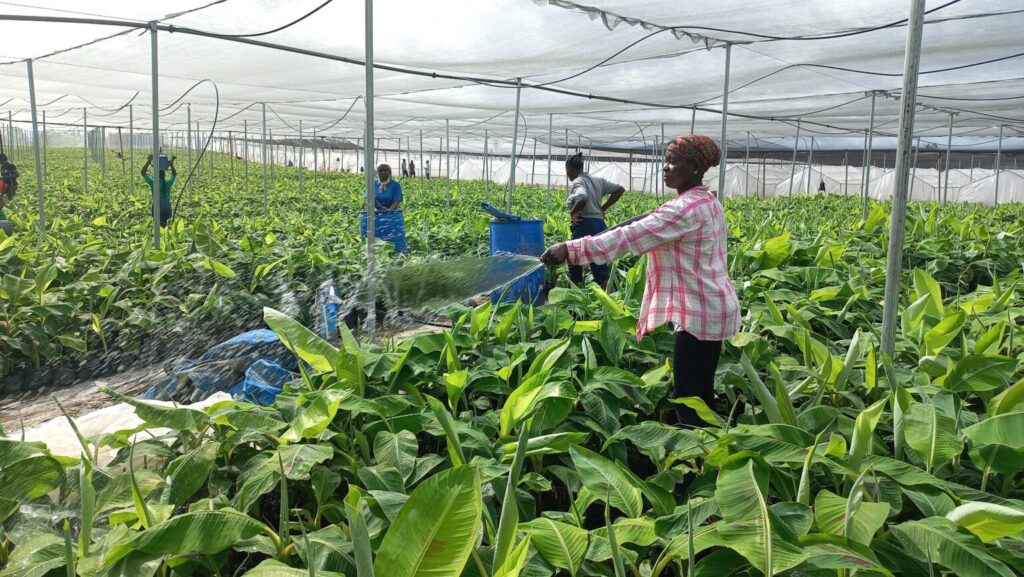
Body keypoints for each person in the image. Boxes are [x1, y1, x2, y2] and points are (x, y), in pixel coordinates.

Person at [541, 135, 740, 427]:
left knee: (688, 401)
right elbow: (641, 221)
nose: (666, 167)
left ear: (696, 166)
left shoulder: (682, 210)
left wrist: (572, 250)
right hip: (711, 306)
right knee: (700, 394)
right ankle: (710, 442)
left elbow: (630, 238)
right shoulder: (704, 201)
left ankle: (697, 454)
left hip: (699, 314)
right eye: (665, 160)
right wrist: (596, 236)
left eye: (674, 161)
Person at [564, 152, 625, 289]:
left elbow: (582, 197)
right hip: (599, 225)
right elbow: (620, 190)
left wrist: (572, 212)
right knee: (599, 260)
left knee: (574, 256)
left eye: (567, 171)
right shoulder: (598, 181)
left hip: (584, 224)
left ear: (570, 168)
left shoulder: (578, 182)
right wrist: (603, 208)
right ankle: (610, 298)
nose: (567, 174)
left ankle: (574, 292)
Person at [141, 154, 177, 227]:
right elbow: (174, 174)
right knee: (166, 227)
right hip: (167, 207)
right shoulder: (168, 183)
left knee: (157, 228)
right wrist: (171, 165)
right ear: (164, 175)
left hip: (157, 207)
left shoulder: (153, 183)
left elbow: (143, 172)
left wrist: (148, 161)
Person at [0, 153, 17, 235]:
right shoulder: (2, 167)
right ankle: (10, 211)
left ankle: (14, 213)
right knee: (4, 198)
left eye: (0, 160)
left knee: (11, 198)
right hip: (5, 185)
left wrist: (6, 177)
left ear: (4, 160)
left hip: (12, 184)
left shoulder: (11, 166)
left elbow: (17, 175)